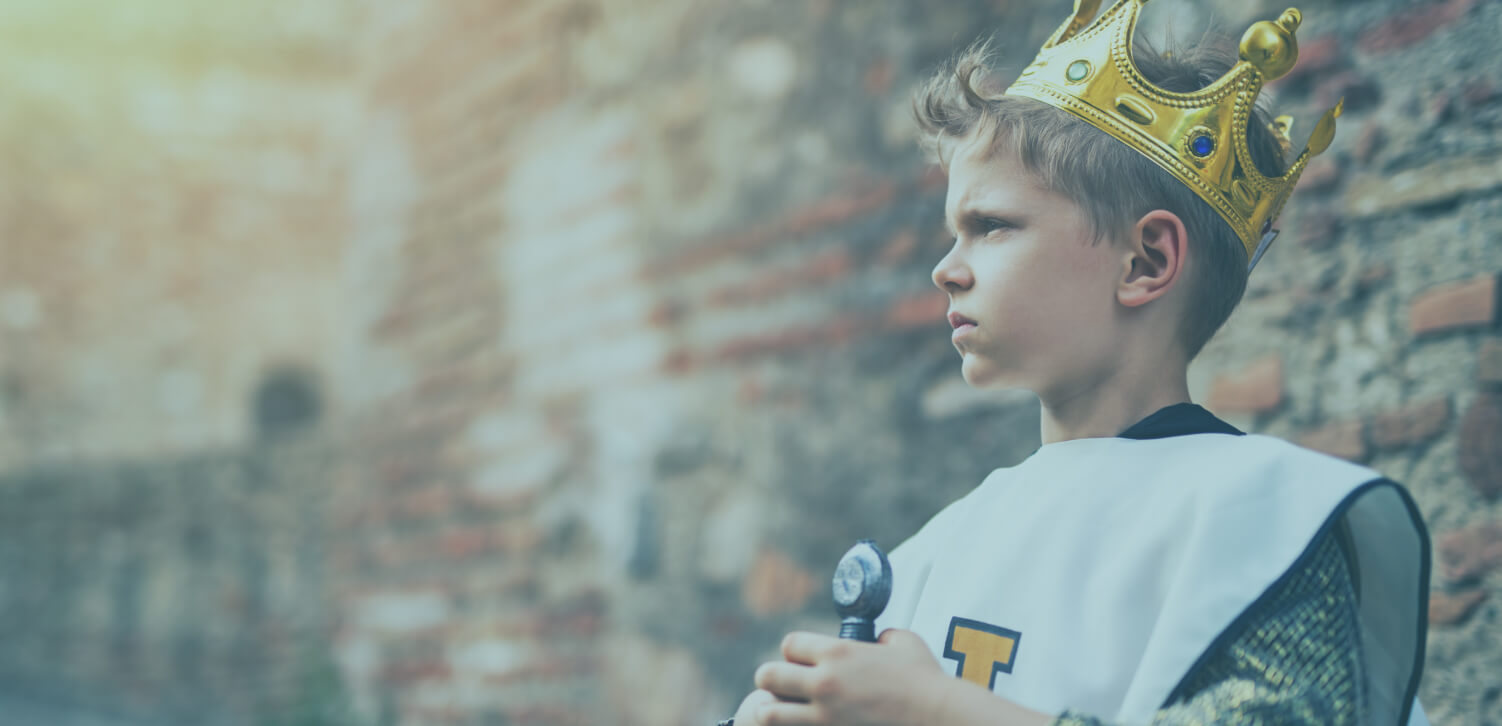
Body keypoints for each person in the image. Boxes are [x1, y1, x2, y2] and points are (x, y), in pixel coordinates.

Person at [725, 1, 1431, 724]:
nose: (945, 270)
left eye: (990, 226)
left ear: (1146, 261)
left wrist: (935, 710)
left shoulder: (1260, 525)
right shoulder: (938, 548)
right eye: (952, 233)